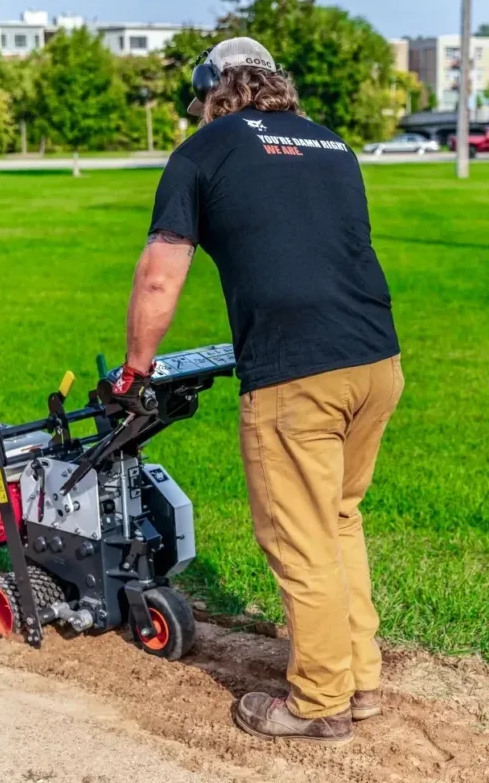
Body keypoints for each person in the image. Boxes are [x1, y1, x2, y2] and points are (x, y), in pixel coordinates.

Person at [113, 37, 403, 746]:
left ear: (215, 95)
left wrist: (134, 369)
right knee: (339, 520)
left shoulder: (204, 150)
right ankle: (360, 681)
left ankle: (318, 702)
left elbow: (160, 275)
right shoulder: (333, 145)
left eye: (200, 104)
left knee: (299, 541)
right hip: (376, 360)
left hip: (295, 373)